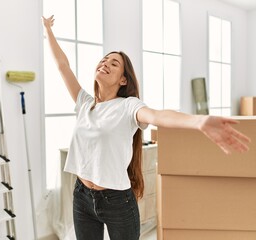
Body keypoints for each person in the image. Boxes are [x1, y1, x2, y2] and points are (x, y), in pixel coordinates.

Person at [41, 15, 251, 240]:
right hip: (82, 195)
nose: (105, 63)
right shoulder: (84, 103)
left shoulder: (129, 106)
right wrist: (48, 30)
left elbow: (158, 116)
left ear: (123, 80)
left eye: (114, 63)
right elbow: (63, 66)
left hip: (117, 200)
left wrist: (198, 121)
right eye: (104, 60)